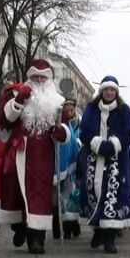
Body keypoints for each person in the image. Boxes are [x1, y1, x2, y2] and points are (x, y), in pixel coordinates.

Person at [0, 59, 71, 255]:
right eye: (34, 76)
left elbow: (64, 128)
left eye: (42, 77)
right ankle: (19, 227)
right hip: (20, 151)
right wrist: (19, 100)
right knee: (16, 192)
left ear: (48, 79)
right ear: (29, 77)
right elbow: (5, 120)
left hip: (43, 154)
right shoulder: (16, 94)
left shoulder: (57, 101)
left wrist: (60, 132)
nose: (38, 80)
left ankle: (37, 239)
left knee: (40, 195)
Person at [78, 76, 130, 253]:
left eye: (112, 90)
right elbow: (84, 132)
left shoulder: (124, 110)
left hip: (117, 159)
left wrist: (114, 145)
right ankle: (98, 231)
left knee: (114, 194)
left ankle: (110, 237)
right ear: (101, 91)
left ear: (116, 92)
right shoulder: (91, 109)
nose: (109, 93)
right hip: (94, 158)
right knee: (94, 192)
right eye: (106, 90)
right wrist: (96, 143)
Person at [54, 99, 82, 239]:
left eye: (71, 110)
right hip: (63, 163)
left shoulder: (78, 124)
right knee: (62, 197)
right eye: (67, 110)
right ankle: (62, 227)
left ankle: (73, 224)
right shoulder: (61, 123)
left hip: (75, 163)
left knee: (73, 196)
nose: (69, 113)